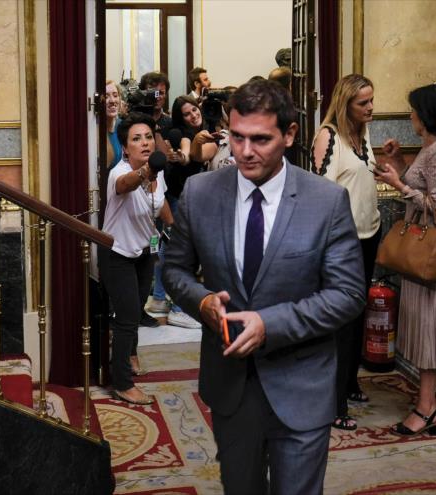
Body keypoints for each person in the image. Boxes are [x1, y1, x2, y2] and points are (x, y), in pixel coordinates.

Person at [163, 80, 365, 494]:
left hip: (302, 384)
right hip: (231, 386)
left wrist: (269, 324)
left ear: (289, 136)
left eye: (260, 139)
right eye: (236, 137)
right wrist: (201, 301)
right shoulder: (201, 193)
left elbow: (347, 295)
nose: (244, 152)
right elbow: (174, 269)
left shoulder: (325, 202)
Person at [373, 84, 436, 437]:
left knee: (431, 328)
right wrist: (399, 164)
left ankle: (427, 409)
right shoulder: (435, 148)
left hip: (435, 253)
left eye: (413, 109)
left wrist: (397, 184)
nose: (410, 114)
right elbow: (425, 186)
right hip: (432, 251)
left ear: (425, 114)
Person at [311, 74, 381, 431]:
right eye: (363, 103)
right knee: (342, 322)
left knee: (358, 314)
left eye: (371, 100)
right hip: (342, 241)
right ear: (345, 104)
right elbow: (322, 197)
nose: (370, 108)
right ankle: (334, 403)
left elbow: (360, 178)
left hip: (370, 233)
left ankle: (350, 384)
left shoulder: (362, 133)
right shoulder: (328, 136)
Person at [100, 112, 173, 404]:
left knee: (138, 309)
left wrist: (177, 231)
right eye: (136, 139)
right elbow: (126, 185)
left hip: (144, 251)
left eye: (147, 137)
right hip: (117, 254)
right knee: (127, 316)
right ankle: (121, 382)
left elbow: (162, 204)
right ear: (125, 148)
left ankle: (130, 355)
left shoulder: (159, 174)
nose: (144, 143)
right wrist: (145, 172)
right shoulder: (119, 173)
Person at [146, 96, 210, 329]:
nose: (193, 115)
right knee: (178, 250)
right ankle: (177, 307)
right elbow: (186, 155)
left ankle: (160, 299)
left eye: (194, 109)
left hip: (185, 196)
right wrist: (181, 157)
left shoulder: (206, 128)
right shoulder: (184, 134)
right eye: (187, 113)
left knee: (168, 247)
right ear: (179, 118)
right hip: (179, 197)